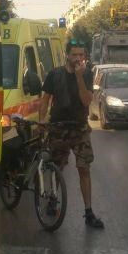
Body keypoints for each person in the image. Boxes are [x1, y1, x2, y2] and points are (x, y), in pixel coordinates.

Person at [38, 40, 104, 229]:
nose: (78, 58)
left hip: (79, 128)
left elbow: (86, 101)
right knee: (56, 166)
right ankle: (53, 199)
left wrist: (79, 78)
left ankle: (89, 212)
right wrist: (42, 120)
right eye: (74, 54)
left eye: (81, 55)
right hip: (58, 128)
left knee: (84, 168)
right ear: (67, 55)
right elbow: (45, 100)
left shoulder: (87, 74)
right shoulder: (54, 74)